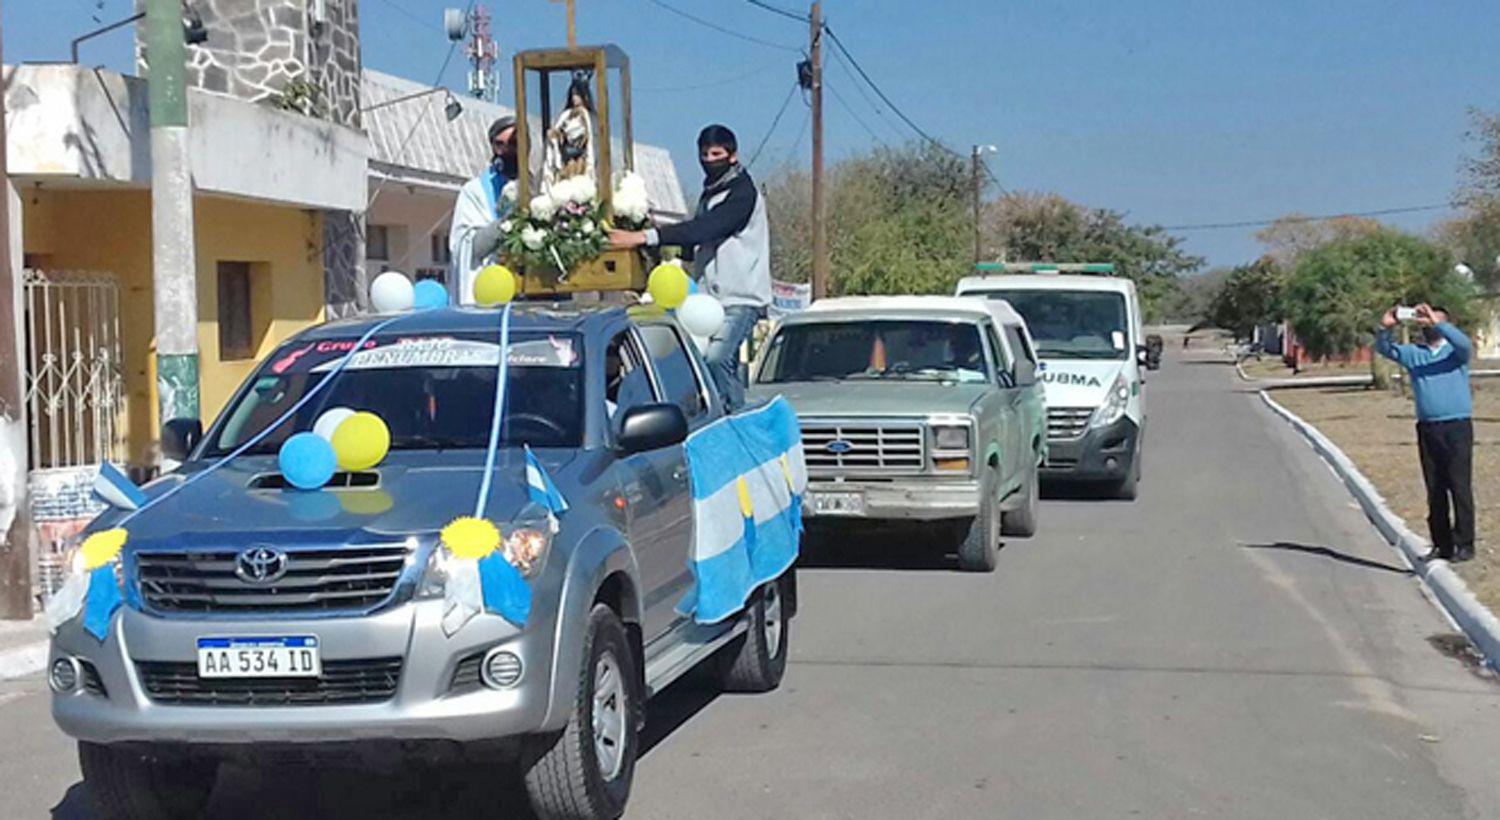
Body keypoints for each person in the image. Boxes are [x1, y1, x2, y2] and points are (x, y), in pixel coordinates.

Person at [609, 124, 771, 408]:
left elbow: (705, 229)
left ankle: (732, 418)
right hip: (709, 299)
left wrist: (644, 238)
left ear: (732, 155)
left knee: (718, 359)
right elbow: (694, 243)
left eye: (716, 153)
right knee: (697, 363)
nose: (709, 160)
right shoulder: (710, 193)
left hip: (741, 297)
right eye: (704, 154)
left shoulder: (742, 194)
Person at [1375, 303, 1476, 563]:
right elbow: (1385, 349)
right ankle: (1441, 544)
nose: (1429, 324)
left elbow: (1465, 344)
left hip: (1456, 427)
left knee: (1459, 486)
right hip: (1428, 428)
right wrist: (1386, 327)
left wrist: (1438, 322)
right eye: (1425, 320)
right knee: (1435, 488)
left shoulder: (1455, 353)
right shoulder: (1415, 354)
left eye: (1434, 321)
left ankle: (1464, 543)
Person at [449, 115, 520, 305]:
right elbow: (468, 247)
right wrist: (508, 221)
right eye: (499, 144)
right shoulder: (474, 191)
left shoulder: (539, 187)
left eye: (513, 144)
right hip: (490, 291)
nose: (506, 151)